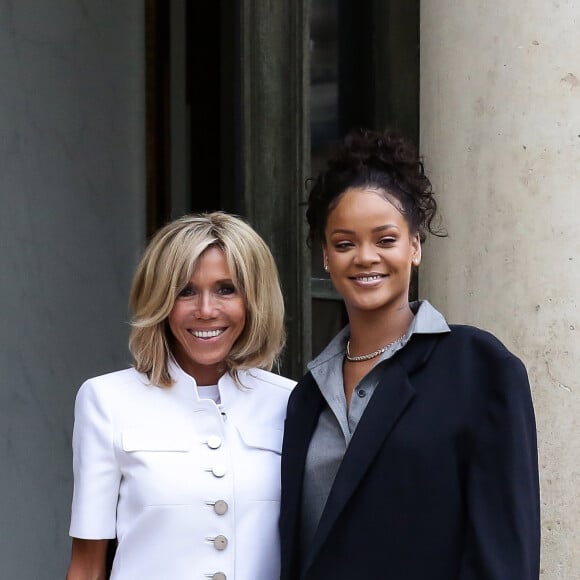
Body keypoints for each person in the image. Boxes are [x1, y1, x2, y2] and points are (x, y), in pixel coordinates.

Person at [279, 128, 541, 579]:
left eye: (385, 240)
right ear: (326, 256)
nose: (365, 257)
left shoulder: (479, 369)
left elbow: (505, 555)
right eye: (344, 243)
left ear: (415, 246)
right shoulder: (306, 397)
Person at [66, 212, 295, 580]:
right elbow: (87, 566)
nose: (206, 311)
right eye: (186, 291)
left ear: (254, 299)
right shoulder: (106, 400)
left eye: (226, 289)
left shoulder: (290, 403)